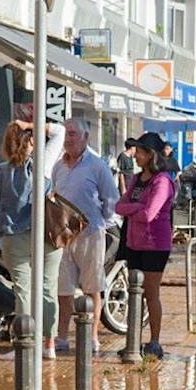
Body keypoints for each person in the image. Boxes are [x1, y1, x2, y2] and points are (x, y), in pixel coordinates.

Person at [0, 111, 64, 348]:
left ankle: (25, 342)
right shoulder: (43, 164)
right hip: (46, 235)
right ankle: (49, 344)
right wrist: (30, 124)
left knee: (23, 290)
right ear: (30, 140)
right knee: (48, 287)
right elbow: (59, 131)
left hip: (13, 236)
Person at [52, 117, 118, 353]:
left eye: (73, 134)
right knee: (63, 288)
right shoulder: (59, 166)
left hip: (91, 234)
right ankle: (62, 336)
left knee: (92, 287)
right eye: (66, 134)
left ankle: (92, 336)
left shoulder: (97, 166)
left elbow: (111, 199)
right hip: (64, 235)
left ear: (85, 138)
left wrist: (100, 222)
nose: (68, 139)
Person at [115, 132, 175, 359]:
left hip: (155, 244)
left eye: (139, 152)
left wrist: (134, 207)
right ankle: (133, 342)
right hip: (133, 242)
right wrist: (136, 207)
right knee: (134, 294)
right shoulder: (136, 179)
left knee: (151, 293)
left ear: (150, 155)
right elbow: (118, 207)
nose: (135, 156)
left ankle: (155, 342)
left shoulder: (163, 181)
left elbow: (150, 214)